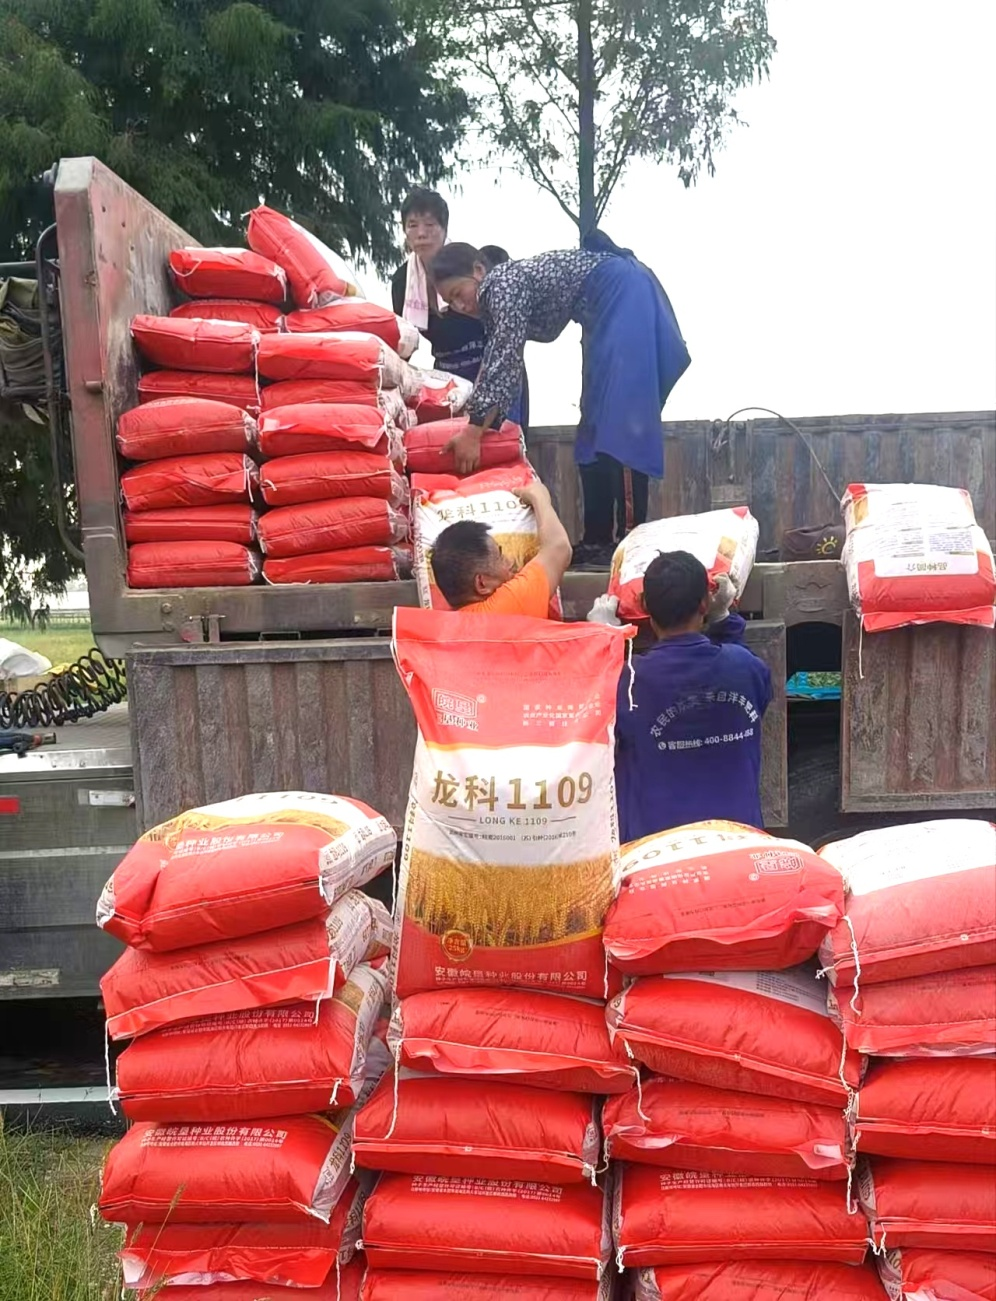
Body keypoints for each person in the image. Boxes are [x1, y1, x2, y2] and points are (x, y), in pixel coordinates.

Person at [429, 235, 690, 569]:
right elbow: (497, 362)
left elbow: (505, 359)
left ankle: (629, 541)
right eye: (451, 303)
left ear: (479, 270)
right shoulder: (496, 300)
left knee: (622, 418)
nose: (461, 306)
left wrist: (474, 430)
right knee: (593, 424)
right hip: (602, 311)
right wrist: (480, 421)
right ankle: (597, 539)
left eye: (458, 293)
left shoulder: (500, 283)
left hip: (623, 294)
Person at [612, 550, 772, 842]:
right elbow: (742, 668)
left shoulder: (627, 682)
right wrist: (724, 617)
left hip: (657, 852)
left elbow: (590, 722)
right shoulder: (745, 668)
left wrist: (602, 640)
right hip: (739, 843)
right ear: (704, 602)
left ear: (645, 606)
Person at [390, 190, 528, 429]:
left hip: (495, 365)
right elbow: (404, 342)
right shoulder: (402, 282)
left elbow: (503, 330)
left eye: (429, 225)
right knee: (449, 441)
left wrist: (487, 388)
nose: (421, 233)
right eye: (412, 225)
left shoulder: (469, 265)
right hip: (447, 377)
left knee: (501, 439)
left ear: (444, 229)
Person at [429, 480, 571, 618]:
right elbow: (559, 547)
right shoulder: (508, 606)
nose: (510, 561)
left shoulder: (443, 624)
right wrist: (539, 497)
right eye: (500, 555)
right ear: (482, 583)